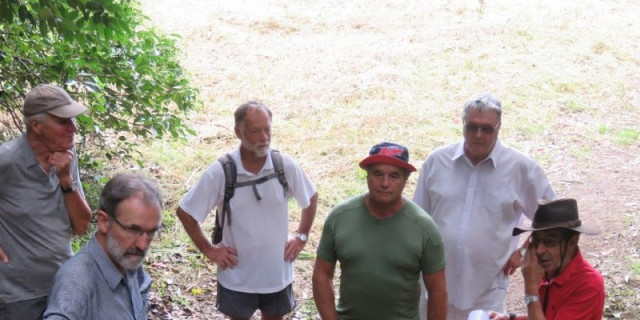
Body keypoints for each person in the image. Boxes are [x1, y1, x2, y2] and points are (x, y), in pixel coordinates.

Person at [413, 93, 556, 320]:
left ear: (499, 128)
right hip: (433, 284)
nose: (478, 135)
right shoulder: (437, 161)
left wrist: (525, 250)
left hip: (486, 289)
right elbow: (417, 218)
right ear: (463, 125)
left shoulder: (521, 169)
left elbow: (554, 218)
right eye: (472, 127)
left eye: (487, 129)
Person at [176, 100, 318, 320]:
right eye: (255, 131)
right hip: (237, 276)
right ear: (238, 132)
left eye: (267, 129)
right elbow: (186, 212)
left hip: (276, 274)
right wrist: (209, 250)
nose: (264, 138)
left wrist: (301, 236)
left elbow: (310, 197)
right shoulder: (222, 172)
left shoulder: (284, 165)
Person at [313, 142, 447, 320]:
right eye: (378, 174)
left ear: (405, 180)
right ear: (367, 175)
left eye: (394, 176)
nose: (385, 183)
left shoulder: (424, 228)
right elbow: (321, 273)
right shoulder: (340, 217)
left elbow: (438, 290)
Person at [0, 84, 92, 320]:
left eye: (73, 120)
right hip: (18, 294)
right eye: (63, 121)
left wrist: (66, 180)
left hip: (62, 284)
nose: (73, 128)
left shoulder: (68, 158)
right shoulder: (7, 161)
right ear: (37, 126)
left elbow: (81, 226)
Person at [43, 174, 163, 320]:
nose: (143, 245)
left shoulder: (129, 260)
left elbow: (142, 294)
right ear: (104, 221)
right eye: (133, 230)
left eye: (151, 232)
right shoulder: (76, 283)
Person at [488, 198, 605, 320]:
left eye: (549, 242)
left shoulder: (589, 286)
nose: (539, 250)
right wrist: (510, 318)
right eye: (536, 241)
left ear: (572, 241)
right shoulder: (549, 270)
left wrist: (531, 289)